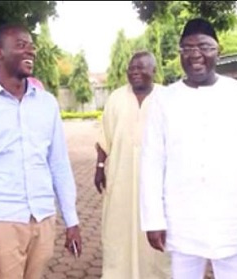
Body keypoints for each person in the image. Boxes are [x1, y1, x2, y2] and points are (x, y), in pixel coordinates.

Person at [139, 18, 237, 279]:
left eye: (204, 47)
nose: (196, 55)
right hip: (182, 217)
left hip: (232, 216)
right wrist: (153, 220)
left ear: (219, 49)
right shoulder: (163, 99)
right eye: (187, 48)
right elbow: (152, 162)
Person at [0, 24, 82, 279]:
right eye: (21, 45)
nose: (30, 51)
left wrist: (72, 221)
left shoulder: (47, 104)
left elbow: (58, 164)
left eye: (31, 45)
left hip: (43, 218)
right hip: (3, 222)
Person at [94, 51, 171, 278]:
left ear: (154, 71)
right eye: (132, 68)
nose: (135, 72)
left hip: (159, 185)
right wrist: (99, 168)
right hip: (120, 180)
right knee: (118, 233)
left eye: (141, 68)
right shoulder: (116, 98)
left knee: (157, 241)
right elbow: (104, 137)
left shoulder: (167, 98)